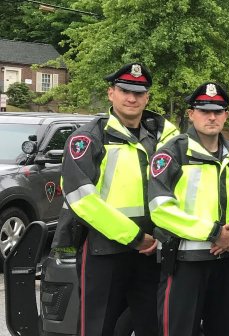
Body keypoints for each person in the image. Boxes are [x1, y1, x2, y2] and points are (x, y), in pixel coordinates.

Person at [61, 62, 179, 336]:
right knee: (98, 326)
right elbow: (82, 200)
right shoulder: (89, 139)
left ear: (147, 97)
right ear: (110, 93)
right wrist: (135, 237)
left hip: (154, 250)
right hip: (105, 250)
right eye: (125, 91)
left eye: (139, 93)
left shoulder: (165, 139)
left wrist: (159, 235)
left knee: (154, 326)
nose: (132, 98)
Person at [148, 82, 229, 336]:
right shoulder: (172, 154)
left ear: (226, 115)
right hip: (185, 264)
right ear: (191, 114)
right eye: (204, 111)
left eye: (218, 111)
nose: (212, 117)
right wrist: (214, 232)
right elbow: (160, 208)